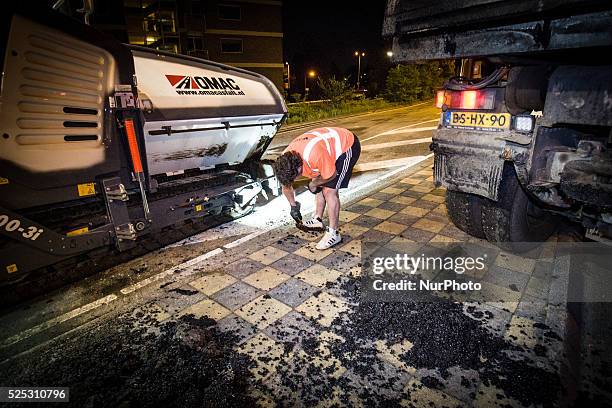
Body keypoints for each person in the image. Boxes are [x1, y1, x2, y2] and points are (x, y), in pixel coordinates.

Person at [273, 127, 361, 250]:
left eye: (296, 176)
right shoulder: (284, 161)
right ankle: (317, 219)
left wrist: (313, 184)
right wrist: (293, 206)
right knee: (319, 181)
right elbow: (286, 185)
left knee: (329, 190)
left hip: (347, 145)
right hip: (323, 148)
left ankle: (333, 233)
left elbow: (331, 174)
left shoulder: (313, 155)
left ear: (299, 168)